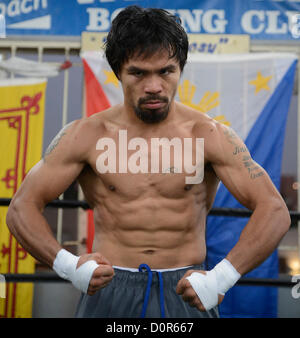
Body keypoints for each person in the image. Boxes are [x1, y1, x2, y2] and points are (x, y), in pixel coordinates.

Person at [6, 6, 290, 318]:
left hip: (187, 288)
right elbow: (21, 208)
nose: (153, 86)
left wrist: (222, 278)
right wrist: (69, 265)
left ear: (180, 69)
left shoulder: (209, 134)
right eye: (139, 73)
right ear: (119, 72)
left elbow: (274, 211)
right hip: (109, 286)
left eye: (166, 71)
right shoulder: (86, 135)